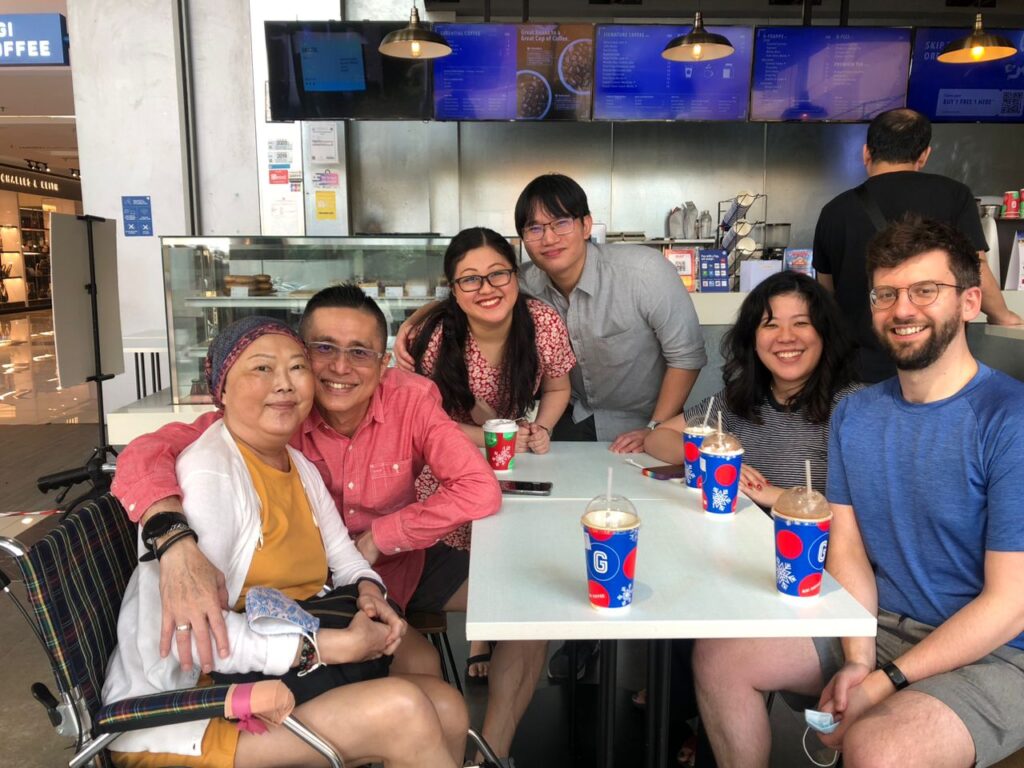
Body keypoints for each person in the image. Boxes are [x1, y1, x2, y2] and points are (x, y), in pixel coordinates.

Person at [110, 286, 532, 759]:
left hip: (295, 636)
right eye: (322, 350)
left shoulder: (295, 462)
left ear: (383, 361)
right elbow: (200, 636)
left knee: (449, 706)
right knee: (405, 708)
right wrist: (173, 539)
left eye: (293, 368)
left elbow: (348, 554)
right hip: (196, 703)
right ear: (220, 388)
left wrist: (369, 586)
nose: (336, 368)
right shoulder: (213, 466)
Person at [693, 216, 1024, 768]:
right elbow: (845, 547)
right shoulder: (857, 413)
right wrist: (857, 657)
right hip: (881, 626)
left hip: (997, 654)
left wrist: (884, 681)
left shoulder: (1008, 419)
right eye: (886, 294)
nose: (902, 310)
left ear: (969, 302)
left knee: (877, 745)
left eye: (925, 291)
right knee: (721, 658)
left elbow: (1010, 605)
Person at [395, 174, 707, 679]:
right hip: (572, 427)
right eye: (533, 228)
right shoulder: (527, 280)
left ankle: (659, 674)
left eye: (560, 221)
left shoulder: (642, 271)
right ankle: (569, 642)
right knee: (560, 531)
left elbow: (686, 356)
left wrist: (654, 429)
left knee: (654, 533)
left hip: (643, 424)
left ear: (587, 225)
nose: (548, 237)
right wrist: (420, 317)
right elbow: (476, 284)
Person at [408, 226, 575, 681]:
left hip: (511, 459)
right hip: (445, 463)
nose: (487, 288)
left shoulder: (541, 321)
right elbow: (426, 421)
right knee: (470, 553)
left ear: (516, 276)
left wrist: (541, 426)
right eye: (470, 279)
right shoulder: (435, 335)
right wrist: (485, 438)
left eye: (498, 273)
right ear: (454, 289)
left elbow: (559, 386)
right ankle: (479, 636)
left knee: (522, 552)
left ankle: (506, 626)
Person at [813, 107, 1021, 383]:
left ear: (866, 153)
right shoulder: (955, 195)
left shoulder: (834, 210)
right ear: (923, 155)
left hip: (857, 370)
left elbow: (825, 294)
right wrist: (1002, 315)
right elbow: (975, 268)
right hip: (934, 366)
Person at [645, 271, 859, 511]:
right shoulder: (740, 398)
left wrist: (772, 495)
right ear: (753, 340)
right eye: (771, 325)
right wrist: (713, 457)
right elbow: (658, 438)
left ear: (824, 334)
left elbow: (869, 513)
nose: (786, 337)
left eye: (801, 323)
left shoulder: (853, 407)